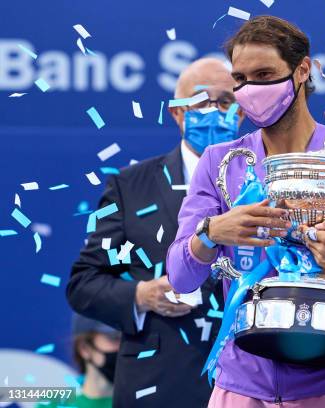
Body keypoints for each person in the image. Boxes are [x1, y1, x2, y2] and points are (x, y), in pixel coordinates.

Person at [167, 15, 325, 408]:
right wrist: (211, 232)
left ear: (303, 70)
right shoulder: (219, 163)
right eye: (241, 79)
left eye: (265, 74)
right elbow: (180, 277)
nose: (251, 90)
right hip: (241, 384)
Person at [66, 57, 243, 407]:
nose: (213, 110)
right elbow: (83, 283)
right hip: (158, 384)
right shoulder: (129, 187)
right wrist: (142, 295)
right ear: (177, 113)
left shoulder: (266, 182)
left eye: (225, 101)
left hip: (250, 381)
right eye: (200, 101)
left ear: (240, 113)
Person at [36, 314, 119, 408]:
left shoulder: (137, 400)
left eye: (129, 338)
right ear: (84, 348)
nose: (124, 346)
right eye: (114, 337)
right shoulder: (53, 403)